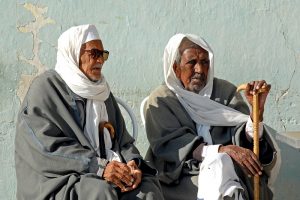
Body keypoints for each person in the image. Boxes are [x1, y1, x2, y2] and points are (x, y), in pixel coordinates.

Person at [15, 24, 163, 200]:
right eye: (94, 53)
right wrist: (98, 166)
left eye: (103, 54)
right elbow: (45, 148)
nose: (100, 60)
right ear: (74, 54)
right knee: (99, 192)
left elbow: (123, 140)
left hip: (101, 171)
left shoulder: (101, 91)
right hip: (58, 179)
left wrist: (132, 163)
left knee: (147, 189)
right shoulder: (45, 89)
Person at [144, 33, 281, 200]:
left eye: (204, 62)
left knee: (229, 176)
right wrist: (221, 150)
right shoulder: (162, 99)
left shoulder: (226, 92)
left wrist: (255, 114)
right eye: (192, 62)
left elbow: (247, 142)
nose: (200, 70)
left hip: (232, 170)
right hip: (183, 176)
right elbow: (170, 146)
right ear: (175, 67)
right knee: (225, 180)